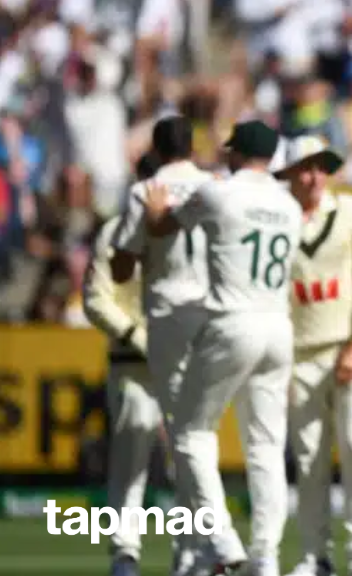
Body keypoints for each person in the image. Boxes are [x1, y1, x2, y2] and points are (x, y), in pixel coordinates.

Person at [142, 120, 303, 576]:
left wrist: (156, 207)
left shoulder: (220, 193)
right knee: (266, 447)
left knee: (191, 433)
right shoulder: (288, 205)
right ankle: (266, 556)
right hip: (278, 327)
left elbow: (162, 228)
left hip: (234, 321)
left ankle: (223, 542)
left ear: (234, 153)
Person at [273, 136, 352, 576]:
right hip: (299, 357)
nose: (314, 176)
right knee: (308, 460)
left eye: (321, 166)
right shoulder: (277, 223)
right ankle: (313, 554)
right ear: (287, 174)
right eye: (304, 167)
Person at [109, 117, 215, 576]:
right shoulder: (218, 187)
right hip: (213, 319)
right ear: (193, 145)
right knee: (197, 436)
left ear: (155, 147)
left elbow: (119, 269)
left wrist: (146, 235)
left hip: (169, 318)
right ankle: (193, 548)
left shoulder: (145, 191)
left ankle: (195, 551)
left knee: (183, 438)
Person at [83, 156, 160, 576]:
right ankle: (124, 553)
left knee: (194, 458)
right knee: (131, 456)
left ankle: (197, 550)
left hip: (183, 362)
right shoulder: (114, 233)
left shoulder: (191, 230)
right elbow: (96, 300)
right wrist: (138, 338)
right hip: (132, 364)